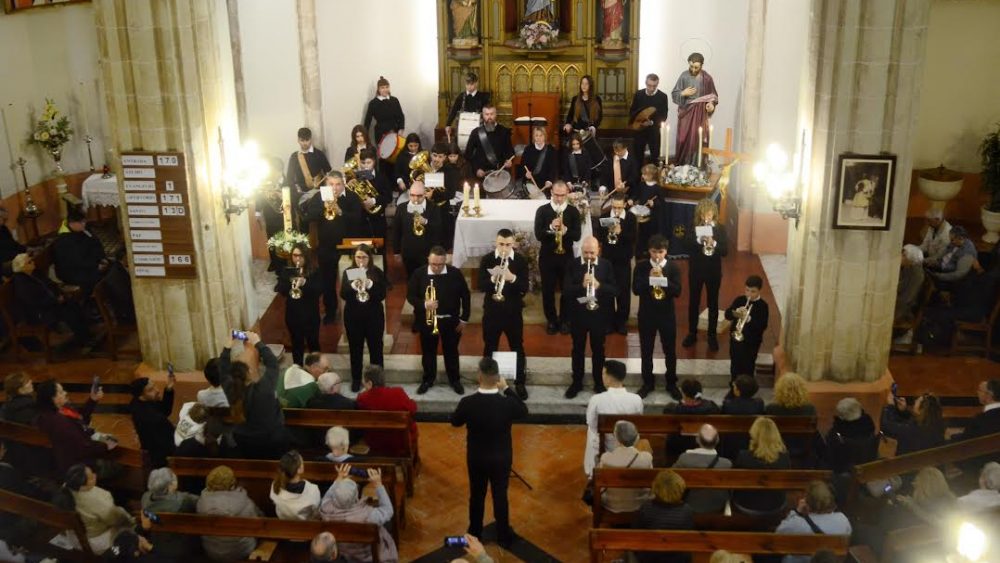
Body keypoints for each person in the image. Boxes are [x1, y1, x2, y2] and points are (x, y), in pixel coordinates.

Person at [450, 357, 528, 548]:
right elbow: (524, 411)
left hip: (477, 458)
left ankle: (474, 532)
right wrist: (507, 389)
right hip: (501, 458)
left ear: (479, 377)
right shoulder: (507, 403)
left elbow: (455, 422)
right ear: (497, 378)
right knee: (500, 495)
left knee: (476, 495)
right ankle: (503, 534)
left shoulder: (468, 402)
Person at [407, 246, 471, 395]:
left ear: (445, 261)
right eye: (433, 264)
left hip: (451, 321)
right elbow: (410, 296)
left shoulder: (455, 273)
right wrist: (424, 304)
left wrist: (464, 319)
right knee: (428, 352)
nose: (436, 267)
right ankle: (428, 379)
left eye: (440, 264)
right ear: (428, 259)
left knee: (451, 352)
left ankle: (454, 380)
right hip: (428, 322)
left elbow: (466, 296)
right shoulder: (419, 274)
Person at [219, 331, 290, 459]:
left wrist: (227, 348)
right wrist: (258, 342)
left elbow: (222, 370)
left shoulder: (231, 390)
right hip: (271, 437)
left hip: (244, 438)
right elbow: (273, 364)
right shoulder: (263, 389)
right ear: (249, 373)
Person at [478, 229, 530, 399]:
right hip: (492, 312)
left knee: (517, 347)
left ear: (513, 244)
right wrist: (493, 278)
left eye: (508, 245)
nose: (504, 248)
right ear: (496, 242)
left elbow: (524, 287)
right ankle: (487, 381)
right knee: (489, 346)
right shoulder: (487, 259)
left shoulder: (520, 261)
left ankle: (520, 383)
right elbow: (480, 285)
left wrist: (511, 277)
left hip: (513, 313)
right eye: (501, 244)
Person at [306, 171, 363, 324]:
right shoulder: (319, 197)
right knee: (328, 282)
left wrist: (341, 212)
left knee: (354, 277)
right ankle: (330, 312)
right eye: (331, 184)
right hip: (327, 247)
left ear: (343, 183)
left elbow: (358, 219)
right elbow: (309, 216)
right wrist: (322, 209)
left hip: (349, 246)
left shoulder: (351, 197)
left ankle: (356, 307)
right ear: (326, 185)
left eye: (338, 184)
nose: (335, 188)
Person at [565, 236, 618, 398]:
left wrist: (599, 285)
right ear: (581, 250)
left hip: (599, 315)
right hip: (578, 315)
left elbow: (615, 291)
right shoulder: (572, 264)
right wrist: (581, 286)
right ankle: (577, 382)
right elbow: (566, 291)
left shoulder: (606, 265)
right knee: (578, 350)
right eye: (586, 252)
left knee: (598, 350)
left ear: (598, 251)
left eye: (592, 253)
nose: (589, 256)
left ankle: (599, 382)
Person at [632, 235, 682, 398]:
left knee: (670, 351)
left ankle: (671, 383)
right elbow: (636, 289)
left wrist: (662, 280)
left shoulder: (673, 268)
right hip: (647, 315)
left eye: (660, 252)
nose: (657, 256)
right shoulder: (641, 267)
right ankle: (648, 383)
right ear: (649, 251)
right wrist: (650, 279)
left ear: (666, 251)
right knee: (646, 351)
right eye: (654, 252)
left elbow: (677, 291)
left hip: (667, 315)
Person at [11, 252, 93, 348]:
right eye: (29, 262)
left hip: (51, 304)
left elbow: (51, 284)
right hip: (40, 312)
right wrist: (55, 301)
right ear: (22, 267)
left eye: (31, 260)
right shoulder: (22, 283)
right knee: (68, 312)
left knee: (72, 304)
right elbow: (34, 302)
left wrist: (59, 294)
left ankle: (85, 336)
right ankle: (83, 339)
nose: (33, 262)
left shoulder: (35, 273)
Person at [320, 464, 398, 563]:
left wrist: (338, 479)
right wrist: (378, 484)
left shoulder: (325, 508)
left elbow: (327, 497)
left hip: (345, 552)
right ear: (356, 497)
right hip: (368, 555)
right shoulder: (368, 515)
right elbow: (388, 510)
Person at [35, 379, 116, 474]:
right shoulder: (58, 422)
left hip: (86, 442)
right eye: (61, 392)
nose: (65, 393)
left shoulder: (60, 409)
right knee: (116, 458)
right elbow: (82, 448)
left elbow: (80, 418)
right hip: (80, 466)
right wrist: (105, 445)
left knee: (113, 440)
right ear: (52, 398)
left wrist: (92, 400)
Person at [534, 181, 583, 334]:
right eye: (556, 195)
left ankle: (565, 320)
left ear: (567, 194)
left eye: (563, 195)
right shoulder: (542, 210)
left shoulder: (573, 211)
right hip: (547, 257)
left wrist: (566, 230)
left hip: (567, 257)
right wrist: (550, 227)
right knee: (548, 290)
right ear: (551, 193)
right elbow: (538, 235)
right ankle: (551, 320)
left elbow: (577, 236)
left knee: (567, 290)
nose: (560, 198)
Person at [53, 464, 134, 555]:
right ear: (82, 485)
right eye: (91, 477)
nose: (95, 475)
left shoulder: (66, 489)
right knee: (128, 527)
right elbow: (114, 520)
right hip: (95, 542)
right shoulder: (97, 500)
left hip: (73, 538)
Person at [340, 244, 387, 390]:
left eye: (364, 257)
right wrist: (353, 286)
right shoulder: (349, 272)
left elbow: (382, 295)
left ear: (369, 258)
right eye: (358, 257)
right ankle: (356, 379)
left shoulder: (376, 272)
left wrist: (371, 284)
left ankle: (377, 381)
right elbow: (343, 294)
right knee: (355, 349)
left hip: (374, 318)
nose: (361, 260)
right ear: (354, 258)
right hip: (354, 317)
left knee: (376, 350)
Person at [584, 361, 643, 476]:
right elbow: (636, 423)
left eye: (603, 373)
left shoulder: (596, 399)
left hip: (605, 442)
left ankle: (591, 470)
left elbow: (591, 423)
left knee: (591, 431)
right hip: (628, 442)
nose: (602, 376)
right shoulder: (636, 399)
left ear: (609, 378)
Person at [683, 198, 728, 351]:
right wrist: (699, 239)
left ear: (714, 214)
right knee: (693, 302)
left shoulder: (720, 229)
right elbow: (686, 245)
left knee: (713, 303)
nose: (706, 217)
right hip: (696, 270)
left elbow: (725, 251)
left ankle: (711, 336)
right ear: (700, 215)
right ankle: (692, 333)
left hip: (713, 272)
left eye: (709, 214)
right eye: (703, 214)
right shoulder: (693, 227)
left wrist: (713, 242)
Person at [197, 465, 263, 561]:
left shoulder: (201, 502)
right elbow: (258, 523)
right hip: (241, 550)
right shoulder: (244, 501)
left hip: (211, 550)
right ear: (232, 483)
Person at [775, 481, 851, 563]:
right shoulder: (842, 519)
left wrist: (796, 512)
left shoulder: (796, 523)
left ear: (807, 502)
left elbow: (778, 536)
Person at [632, 470, 695, 563]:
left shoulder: (646, 508)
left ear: (655, 487)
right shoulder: (686, 511)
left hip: (649, 558)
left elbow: (635, 532)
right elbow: (688, 538)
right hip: (678, 559)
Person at [732, 417, 791, 515]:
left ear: (754, 435)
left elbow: (735, 482)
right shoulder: (784, 458)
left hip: (746, 504)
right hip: (776, 504)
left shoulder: (744, 456)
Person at [356, 365, 418, 457]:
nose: (363, 384)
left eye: (364, 382)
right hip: (400, 441)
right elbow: (413, 409)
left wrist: (365, 392)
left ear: (369, 383)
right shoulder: (398, 393)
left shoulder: (362, 398)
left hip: (375, 442)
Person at [275, 244, 322, 364]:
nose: (298, 259)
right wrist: (291, 283)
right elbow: (279, 288)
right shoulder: (287, 271)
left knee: (314, 344)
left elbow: (319, 290)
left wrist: (305, 282)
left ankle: (317, 369)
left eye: (301, 256)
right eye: (295, 255)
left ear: (306, 256)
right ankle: (298, 372)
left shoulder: (315, 272)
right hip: (293, 315)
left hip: (311, 315)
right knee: (297, 345)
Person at [671, 424, 732, 514]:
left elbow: (669, 478)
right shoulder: (726, 464)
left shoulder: (684, 459)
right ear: (717, 440)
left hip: (690, 504)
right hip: (717, 506)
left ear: (697, 439)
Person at [672, 53, 718, 167]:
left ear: (702, 65)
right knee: (683, 139)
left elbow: (713, 95)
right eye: (691, 66)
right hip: (686, 114)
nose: (693, 69)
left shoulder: (707, 78)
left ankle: (698, 166)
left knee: (698, 139)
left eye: (696, 67)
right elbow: (674, 94)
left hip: (700, 115)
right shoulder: (684, 76)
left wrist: (711, 104)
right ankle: (682, 165)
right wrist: (683, 93)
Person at [599, 193, 636, 334]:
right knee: (607, 291)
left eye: (619, 207)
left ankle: (621, 322)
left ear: (625, 205)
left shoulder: (631, 218)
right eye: (614, 207)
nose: (616, 210)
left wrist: (621, 232)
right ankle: (608, 322)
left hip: (623, 259)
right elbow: (600, 235)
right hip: (608, 260)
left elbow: (633, 238)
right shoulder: (605, 216)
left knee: (623, 292)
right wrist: (608, 231)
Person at [141, 467, 199, 558]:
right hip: (179, 547)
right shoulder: (184, 501)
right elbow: (201, 502)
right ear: (170, 486)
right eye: (173, 479)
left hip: (156, 542)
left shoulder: (145, 498)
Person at [598, 420, 653, 513]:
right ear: (637, 438)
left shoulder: (606, 458)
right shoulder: (646, 458)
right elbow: (649, 485)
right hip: (639, 503)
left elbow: (602, 486)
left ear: (616, 438)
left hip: (611, 503)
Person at [51, 206, 109, 296]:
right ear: (72, 223)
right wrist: (96, 266)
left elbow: (94, 243)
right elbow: (77, 260)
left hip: (85, 264)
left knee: (111, 267)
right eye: (81, 222)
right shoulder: (64, 241)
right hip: (71, 271)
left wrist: (102, 258)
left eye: (84, 221)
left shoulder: (80, 230)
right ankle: (92, 301)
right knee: (97, 277)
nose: (84, 224)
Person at [393, 181, 443, 280]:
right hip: (408, 252)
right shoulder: (401, 208)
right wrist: (396, 252)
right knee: (411, 278)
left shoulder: (434, 207)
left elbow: (439, 229)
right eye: (412, 195)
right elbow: (396, 231)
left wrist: (426, 222)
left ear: (425, 194)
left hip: (427, 252)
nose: (415, 199)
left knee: (428, 279)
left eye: (419, 196)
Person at [725, 275, 770, 380]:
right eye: (747, 290)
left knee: (748, 368)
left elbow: (762, 326)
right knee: (734, 366)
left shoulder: (763, 306)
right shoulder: (739, 300)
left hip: (751, 343)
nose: (749, 294)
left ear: (759, 291)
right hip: (736, 341)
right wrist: (736, 312)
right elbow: (727, 315)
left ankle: (746, 391)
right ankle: (733, 387)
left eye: (753, 291)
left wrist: (749, 319)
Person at [129, 375, 176, 468]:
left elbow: (164, 411)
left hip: (157, 441)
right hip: (158, 454)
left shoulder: (140, 401)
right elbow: (169, 436)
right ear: (141, 396)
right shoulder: (152, 418)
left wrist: (168, 390)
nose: (157, 390)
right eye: (151, 390)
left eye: (155, 386)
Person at [286, 127, 333, 220]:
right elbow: (289, 178)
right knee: (304, 223)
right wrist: (296, 192)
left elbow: (329, 173)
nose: (305, 143)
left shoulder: (319, 154)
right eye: (302, 140)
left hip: (318, 193)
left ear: (311, 139)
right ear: (298, 140)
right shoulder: (294, 156)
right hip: (301, 195)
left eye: (307, 140)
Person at [823, 397, 878, 473]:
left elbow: (831, 458)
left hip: (844, 473)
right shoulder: (868, 426)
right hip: (868, 468)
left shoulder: (835, 435)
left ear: (841, 416)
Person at [880, 392, 946, 455]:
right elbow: (914, 422)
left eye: (916, 402)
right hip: (930, 462)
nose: (914, 402)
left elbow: (886, 426)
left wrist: (889, 407)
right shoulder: (938, 426)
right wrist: (904, 411)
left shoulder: (911, 430)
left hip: (908, 464)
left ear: (921, 411)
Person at [464, 105, 514, 180]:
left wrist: (509, 161)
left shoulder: (504, 131)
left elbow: (510, 152)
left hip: (499, 173)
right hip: (481, 174)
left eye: (491, 114)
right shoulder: (476, 132)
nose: (489, 117)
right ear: (482, 115)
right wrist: (476, 169)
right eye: (487, 114)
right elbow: (468, 154)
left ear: (496, 114)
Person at [629, 73, 670, 164]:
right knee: (637, 156)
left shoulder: (662, 96)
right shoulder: (639, 94)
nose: (651, 88)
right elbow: (632, 111)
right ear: (645, 83)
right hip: (639, 130)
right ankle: (637, 177)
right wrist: (639, 121)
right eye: (649, 85)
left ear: (657, 84)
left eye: (654, 86)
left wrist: (651, 123)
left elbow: (663, 115)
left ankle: (654, 176)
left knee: (655, 156)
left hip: (654, 131)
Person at [270, 450, 321, 520]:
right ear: (299, 470)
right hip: (306, 527)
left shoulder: (275, 485)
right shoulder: (313, 490)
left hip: (282, 525)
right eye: (302, 463)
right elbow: (316, 513)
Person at [445, 73, 491, 142]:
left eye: (471, 84)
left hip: (478, 129)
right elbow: (453, 110)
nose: (469, 86)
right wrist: (448, 124)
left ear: (476, 83)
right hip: (463, 129)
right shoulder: (461, 96)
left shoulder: (483, 97)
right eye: (467, 84)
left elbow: (488, 113)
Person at [364, 76, 405, 146]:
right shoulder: (373, 103)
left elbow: (401, 116)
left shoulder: (394, 100)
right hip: (381, 134)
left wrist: (401, 129)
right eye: (382, 88)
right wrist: (365, 137)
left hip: (395, 132)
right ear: (378, 89)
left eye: (387, 87)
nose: (385, 89)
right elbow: (367, 121)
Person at [563, 75, 603, 142]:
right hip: (577, 131)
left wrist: (594, 126)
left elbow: (600, 117)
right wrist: (568, 124)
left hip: (590, 132)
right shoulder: (575, 99)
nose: (583, 86)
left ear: (590, 86)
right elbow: (570, 115)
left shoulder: (597, 99)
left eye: (586, 84)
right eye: (582, 83)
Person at [896, 244, 926, 328]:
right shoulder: (908, 267)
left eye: (904, 255)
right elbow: (901, 284)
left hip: (903, 309)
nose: (901, 257)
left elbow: (908, 298)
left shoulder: (917, 275)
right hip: (900, 300)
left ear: (911, 259)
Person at [521, 126, 557, 193]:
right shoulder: (528, 149)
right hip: (530, 182)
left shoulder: (551, 150)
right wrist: (526, 174)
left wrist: (549, 181)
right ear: (533, 137)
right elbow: (523, 165)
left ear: (545, 136)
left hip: (545, 184)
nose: (538, 138)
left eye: (541, 135)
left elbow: (553, 168)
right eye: (536, 135)